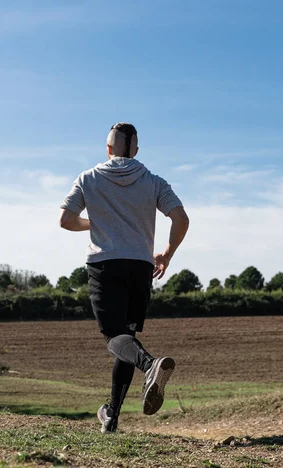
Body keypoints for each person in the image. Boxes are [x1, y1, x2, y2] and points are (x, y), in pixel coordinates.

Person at [60, 123, 189, 433]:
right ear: (136, 151)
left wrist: (92, 223)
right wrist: (166, 255)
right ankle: (111, 417)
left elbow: (66, 220)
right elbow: (181, 219)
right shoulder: (154, 182)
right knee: (125, 339)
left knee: (114, 337)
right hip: (141, 268)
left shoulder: (89, 178)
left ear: (108, 149)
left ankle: (149, 365)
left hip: (105, 266)